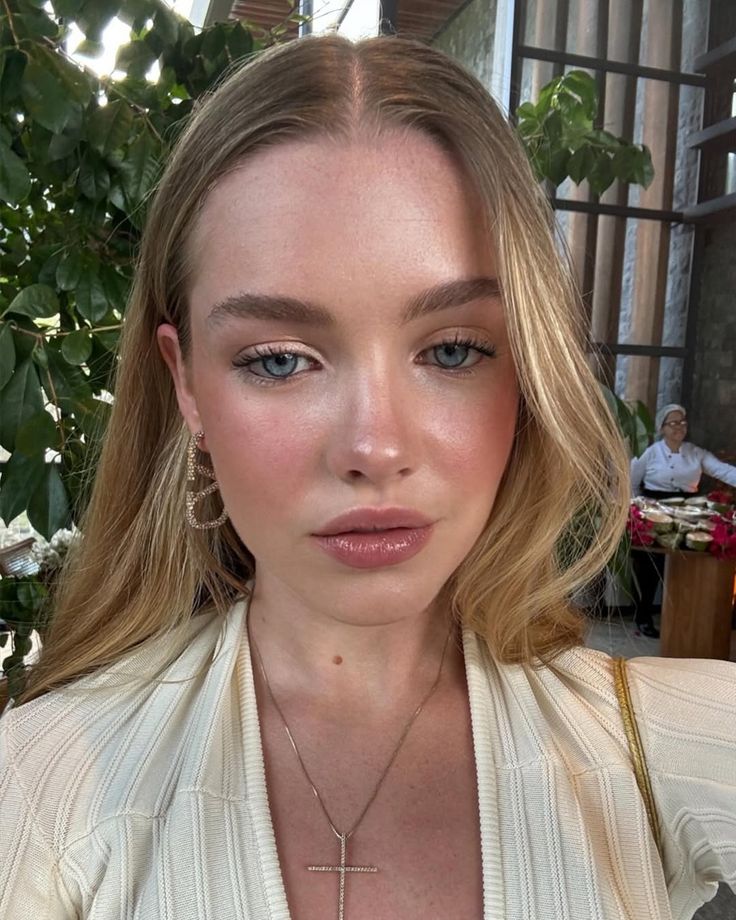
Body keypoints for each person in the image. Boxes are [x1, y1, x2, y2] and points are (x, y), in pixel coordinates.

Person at [1, 35, 734, 920]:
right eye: (279, 360)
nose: (375, 446)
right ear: (186, 381)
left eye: (453, 350)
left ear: (528, 369)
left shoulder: (665, 745)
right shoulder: (39, 786)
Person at [629, 404, 736, 638]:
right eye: (673, 423)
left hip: (688, 513)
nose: (679, 427)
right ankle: (643, 616)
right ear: (662, 428)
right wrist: (639, 508)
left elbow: (723, 471)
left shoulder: (695, 453)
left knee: (687, 564)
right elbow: (632, 482)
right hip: (655, 512)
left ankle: (685, 620)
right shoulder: (650, 452)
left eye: (682, 422)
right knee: (650, 566)